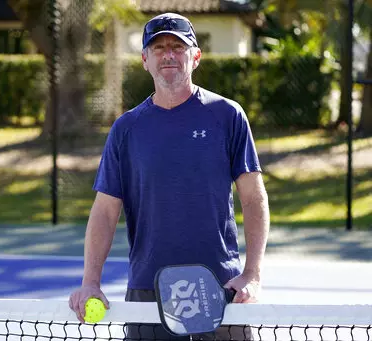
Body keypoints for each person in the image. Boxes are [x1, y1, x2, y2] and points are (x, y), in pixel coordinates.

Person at [69, 12, 269, 340]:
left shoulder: (227, 115)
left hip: (221, 289)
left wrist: (252, 274)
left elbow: (253, 196)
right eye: (159, 47)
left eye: (178, 46)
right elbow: (105, 211)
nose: (169, 54)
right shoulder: (126, 129)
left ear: (196, 57)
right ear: (145, 59)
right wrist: (90, 282)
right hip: (149, 291)